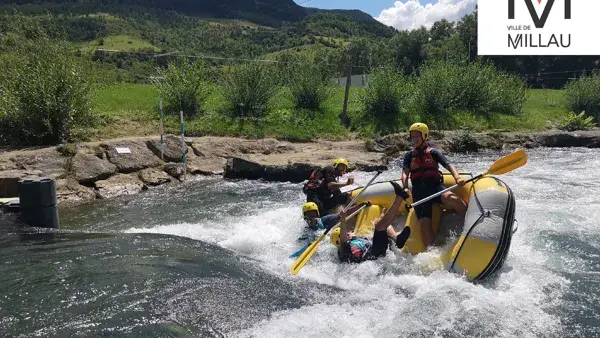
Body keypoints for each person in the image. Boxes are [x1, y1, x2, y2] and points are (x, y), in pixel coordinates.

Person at [401, 122, 467, 248]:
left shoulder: (434, 153)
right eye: (412, 136)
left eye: (417, 136)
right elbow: (405, 173)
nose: (414, 139)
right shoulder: (409, 156)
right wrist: (404, 186)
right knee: (425, 229)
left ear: (424, 136)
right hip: (419, 193)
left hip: (435, 187)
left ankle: (467, 230)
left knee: (455, 200)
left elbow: (448, 165)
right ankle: (435, 253)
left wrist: (457, 177)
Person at [330, 181, 412, 263]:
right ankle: (399, 197)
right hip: (374, 256)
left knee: (377, 223)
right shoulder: (343, 252)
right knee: (379, 227)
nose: (348, 234)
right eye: (345, 234)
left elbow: (370, 239)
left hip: (377, 250)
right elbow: (343, 239)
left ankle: (396, 240)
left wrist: (382, 217)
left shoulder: (354, 240)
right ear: (339, 241)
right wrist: (343, 221)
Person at [301, 201, 369, 232]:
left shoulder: (326, 220)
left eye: (313, 215)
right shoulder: (306, 230)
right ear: (305, 218)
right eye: (308, 216)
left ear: (318, 215)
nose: (311, 218)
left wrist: (360, 205)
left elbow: (344, 213)